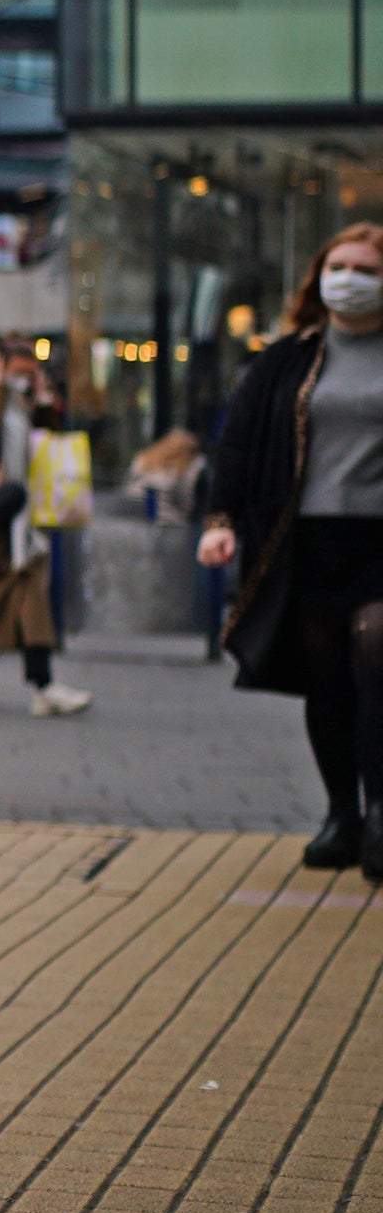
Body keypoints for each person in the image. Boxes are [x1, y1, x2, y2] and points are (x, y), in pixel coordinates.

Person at [201, 224, 383, 878]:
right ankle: (343, 813)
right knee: (329, 680)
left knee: (377, 657)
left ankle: (381, 809)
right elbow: (239, 443)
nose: (350, 278)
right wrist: (220, 520)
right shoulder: (286, 359)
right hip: (303, 539)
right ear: (318, 276)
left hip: (378, 540)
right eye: (339, 265)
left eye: (365, 267)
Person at [0, 344, 90, 715]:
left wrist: (44, 400)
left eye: (31, 373)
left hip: (18, 518)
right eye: (20, 371)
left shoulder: (24, 400)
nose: (25, 379)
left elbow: (48, 443)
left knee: (31, 588)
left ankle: (43, 685)